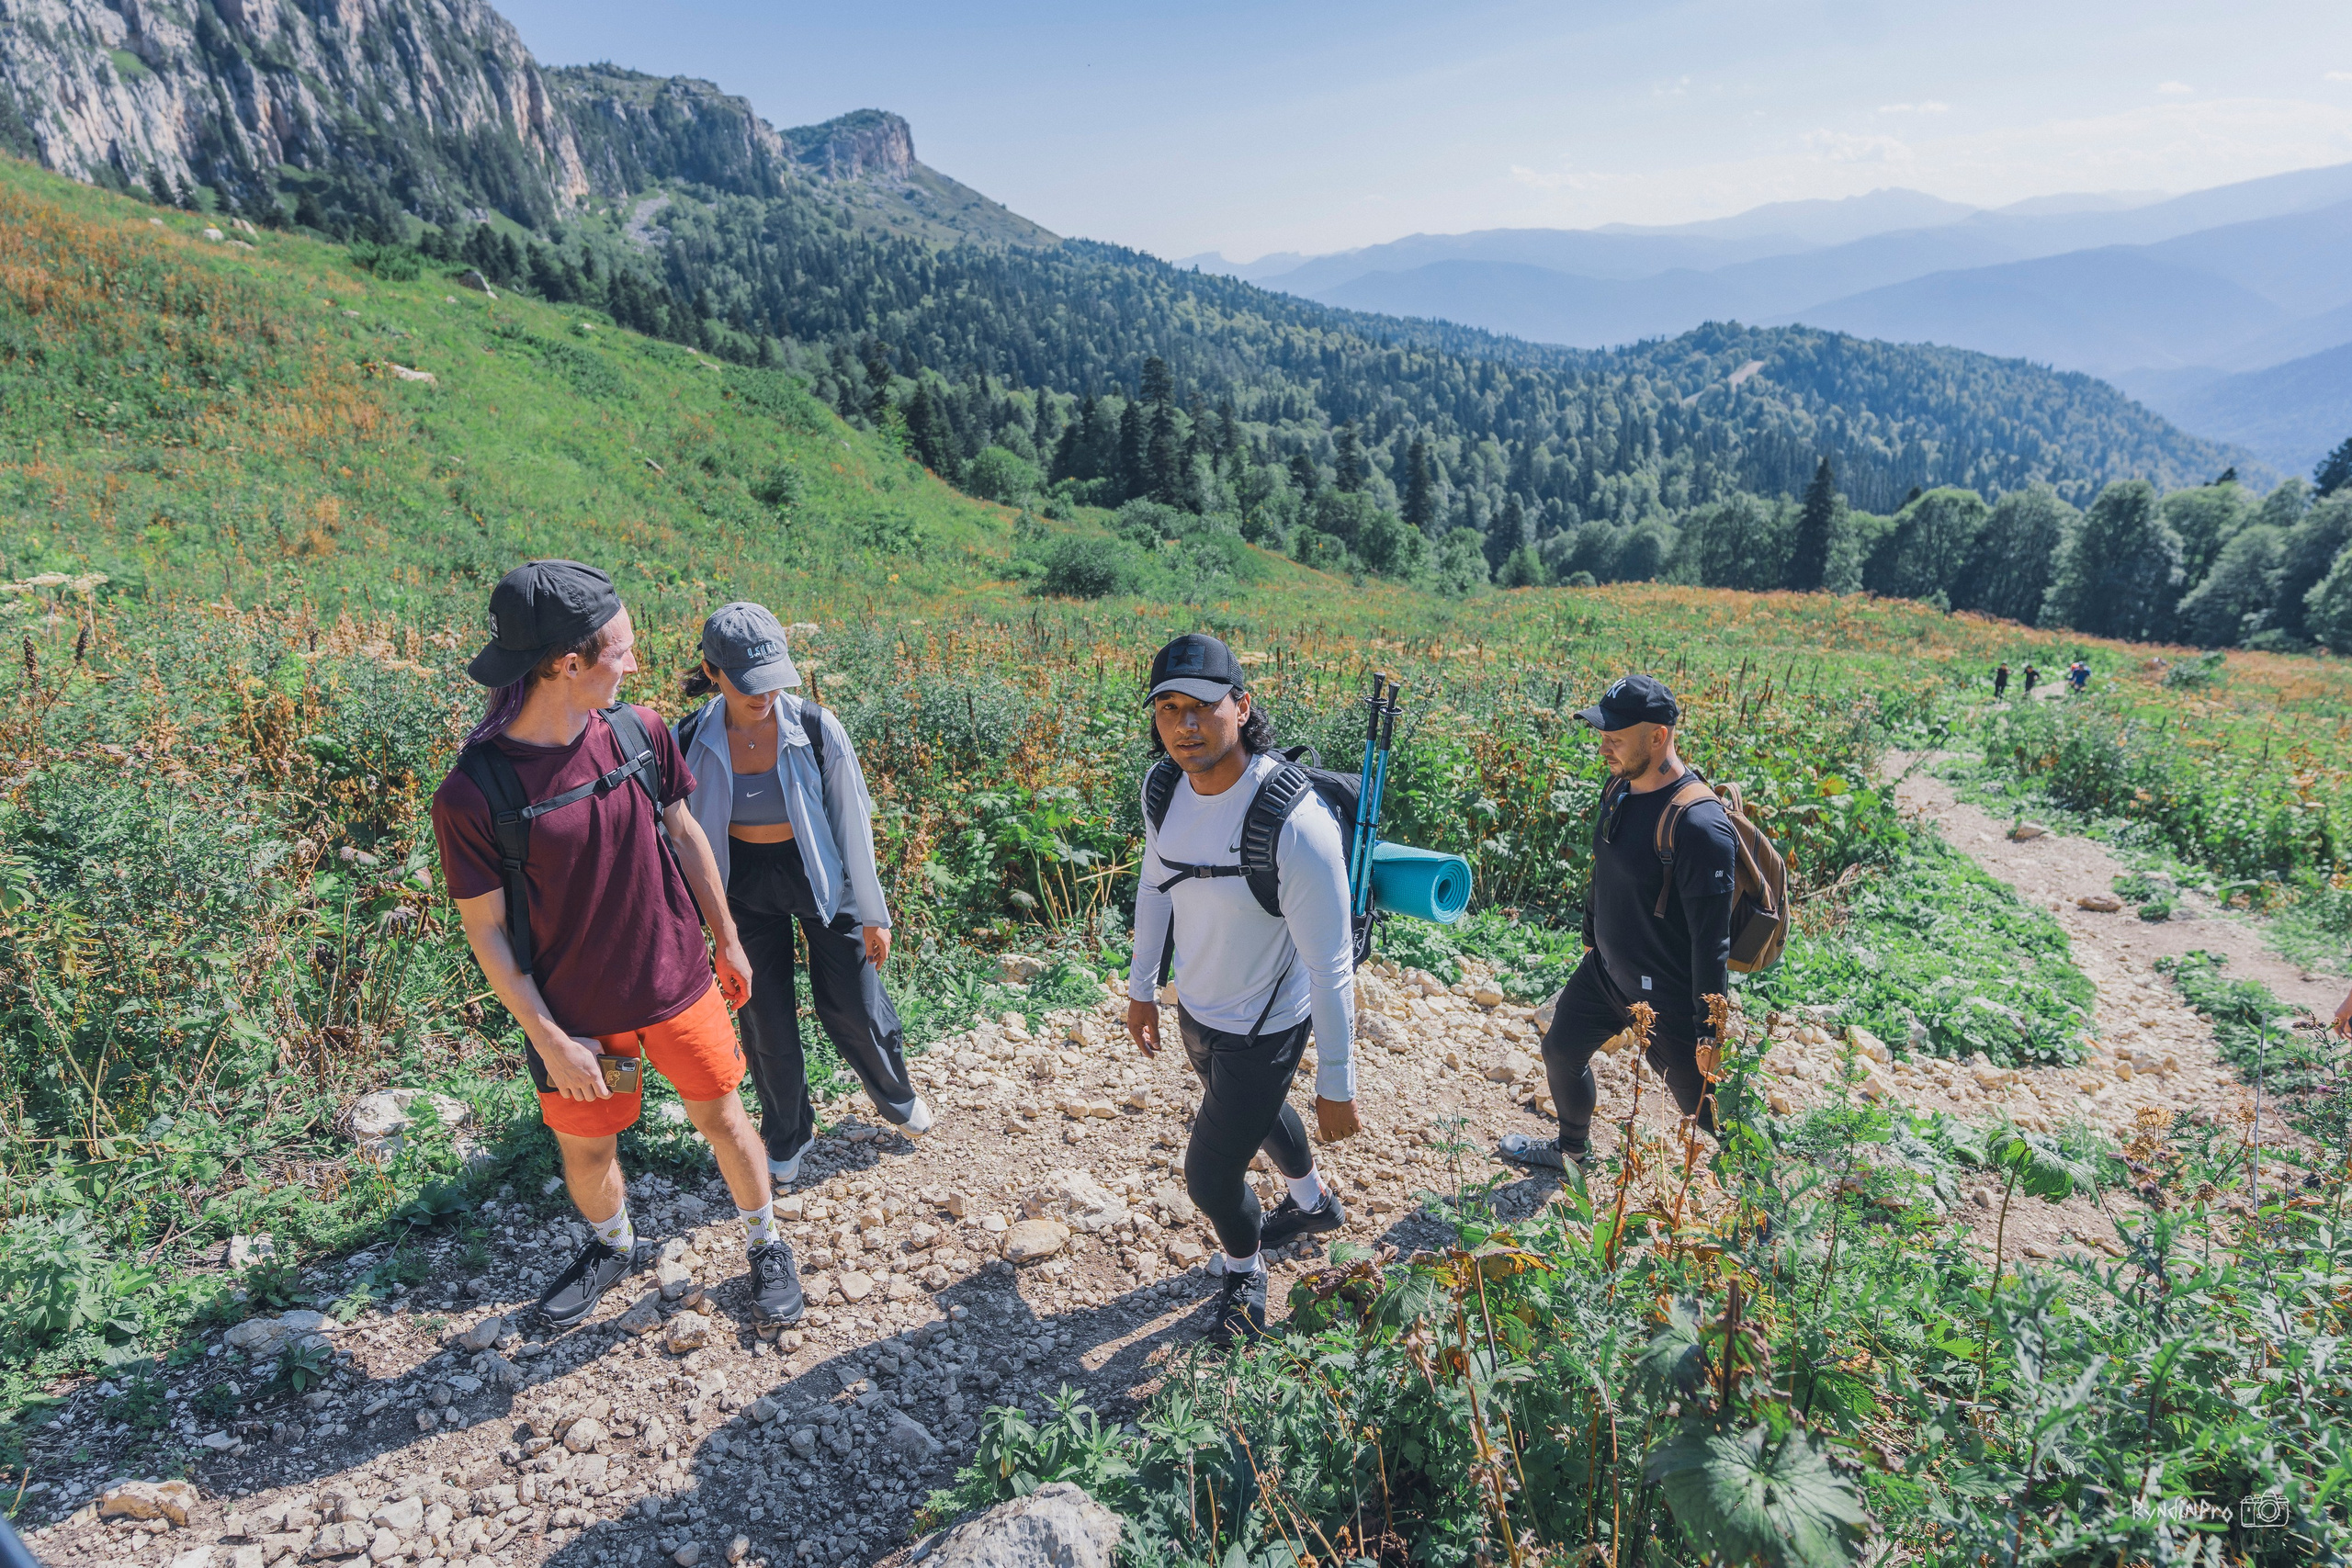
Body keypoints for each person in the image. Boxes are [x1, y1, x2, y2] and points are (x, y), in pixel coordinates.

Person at [432, 561, 801, 1334]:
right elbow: (487, 932)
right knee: (589, 1154)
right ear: (569, 662)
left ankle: (766, 1241)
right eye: (622, 650)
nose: (634, 664)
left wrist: (727, 939)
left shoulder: (640, 731)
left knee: (726, 1120)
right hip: (576, 1022)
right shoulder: (475, 793)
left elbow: (684, 829)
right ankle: (612, 1244)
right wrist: (550, 1037)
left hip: (679, 984)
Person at [1125, 633, 1358, 1344]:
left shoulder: (1294, 821)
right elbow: (1155, 881)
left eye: (1201, 706)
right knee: (1253, 1117)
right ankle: (1313, 1203)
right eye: (1168, 708)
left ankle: (1244, 1271)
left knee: (1208, 1175)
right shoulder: (1164, 791)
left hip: (1268, 1024)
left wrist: (1337, 1082)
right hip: (1198, 1008)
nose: (1184, 725)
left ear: (1242, 706)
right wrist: (1143, 987)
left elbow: (1332, 961)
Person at [674, 603, 931, 1190]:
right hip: (739, 880)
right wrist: (703, 926)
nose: (764, 696)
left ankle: (894, 1092)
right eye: (748, 685)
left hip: (816, 871)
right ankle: (787, 1132)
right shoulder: (688, 737)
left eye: (773, 680)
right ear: (713, 672)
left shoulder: (816, 726)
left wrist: (873, 912)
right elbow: (678, 835)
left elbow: (852, 825)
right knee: (764, 1017)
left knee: (852, 1002)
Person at [1499, 674, 1736, 1172]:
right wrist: (1592, 939)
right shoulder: (1620, 790)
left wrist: (1708, 1034)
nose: (1603, 747)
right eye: (1601, 734)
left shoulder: (1699, 825)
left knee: (1717, 1116)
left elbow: (1712, 941)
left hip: (1669, 1001)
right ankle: (1571, 1154)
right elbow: (1604, 870)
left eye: (1615, 737)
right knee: (1561, 1050)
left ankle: (1774, 1219)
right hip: (1608, 974)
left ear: (1658, 736)